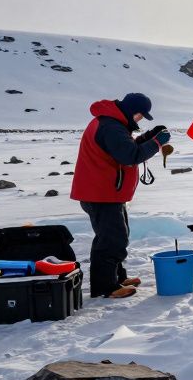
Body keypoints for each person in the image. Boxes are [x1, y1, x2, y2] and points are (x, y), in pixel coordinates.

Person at [69, 93, 170, 298]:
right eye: (140, 116)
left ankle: (116, 277)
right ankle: (105, 286)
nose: (140, 120)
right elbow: (129, 155)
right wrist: (157, 143)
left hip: (106, 193)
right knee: (112, 240)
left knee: (113, 236)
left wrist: (149, 136)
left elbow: (126, 147)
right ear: (132, 111)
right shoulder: (111, 126)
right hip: (100, 194)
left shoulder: (112, 122)